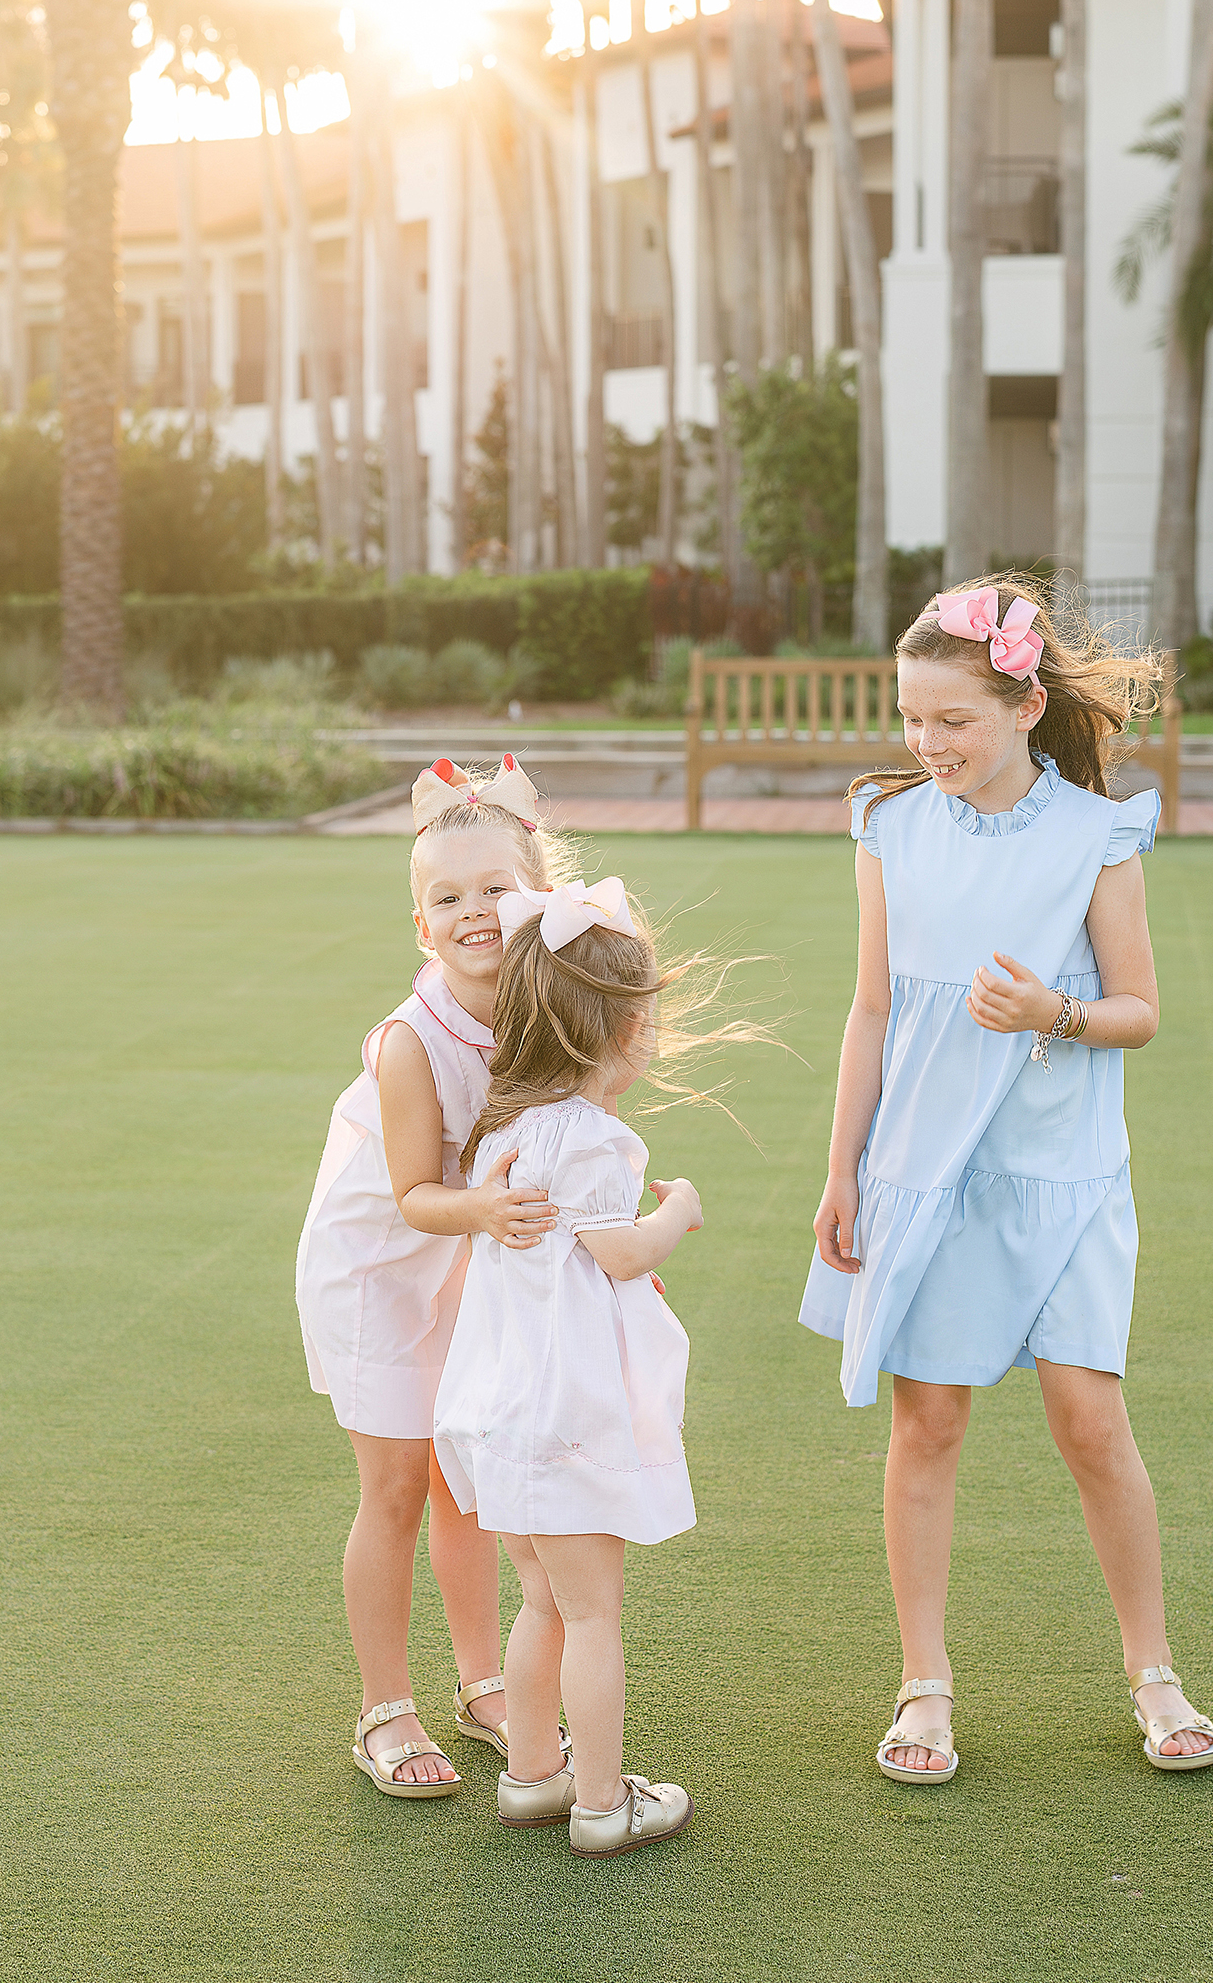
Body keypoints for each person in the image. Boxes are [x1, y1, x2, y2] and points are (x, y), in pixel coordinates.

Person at [803, 580, 1213, 1784]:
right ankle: (923, 1685)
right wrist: (842, 1169)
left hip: (1063, 1176)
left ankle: (1153, 1670)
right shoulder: (888, 825)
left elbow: (1138, 1011)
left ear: (1025, 703)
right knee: (927, 1423)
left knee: (1092, 1425)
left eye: (955, 720)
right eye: (912, 718)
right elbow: (873, 1003)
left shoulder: (1098, 832)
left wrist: (1057, 1013)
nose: (928, 745)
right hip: (924, 1173)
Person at [297, 756, 578, 1798]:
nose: (473, 911)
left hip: (463, 1254)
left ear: (537, 895)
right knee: (399, 1485)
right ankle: (386, 1707)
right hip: (377, 1268)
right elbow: (417, 1191)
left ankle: (480, 1682)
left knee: (470, 1478)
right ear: (421, 927)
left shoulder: (542, 1001)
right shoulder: (410, 1042)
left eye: (496, 888)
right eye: (446, 897)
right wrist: (493, 1216)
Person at [434, 875, 722, 1858]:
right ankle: (602, 1801)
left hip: (497, 1410)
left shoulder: (505, 1131)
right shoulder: (595, 1141)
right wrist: (675, 1212)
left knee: (542, 1598)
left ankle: (531, 1773)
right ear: (621, 1030)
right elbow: (620, 1253)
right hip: (563, 1415)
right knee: (594, 1610)